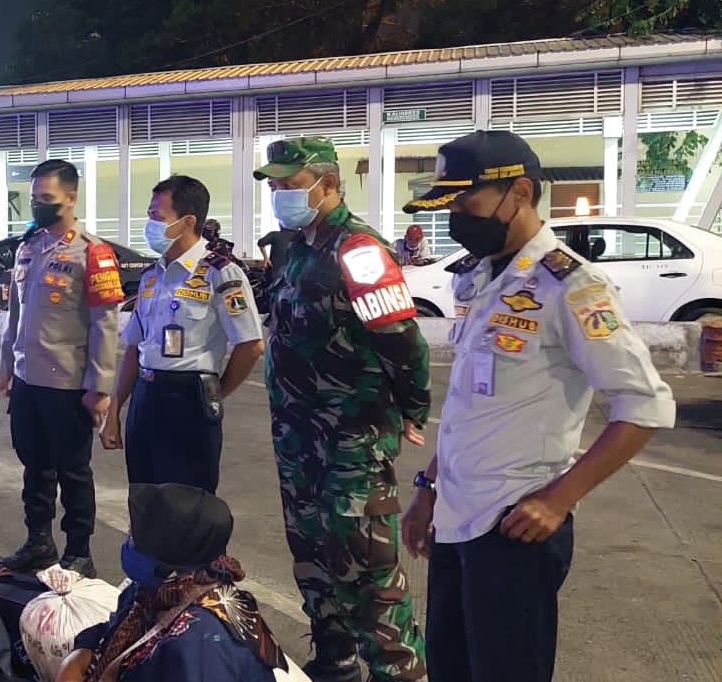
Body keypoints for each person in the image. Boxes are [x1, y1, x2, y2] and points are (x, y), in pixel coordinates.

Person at [397, 131, 676, 682]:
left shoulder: (572, 286)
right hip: (455, 517)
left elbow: (644, 403)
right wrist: (428, 488)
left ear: (519, 193)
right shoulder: (482, 277)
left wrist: (559, 498)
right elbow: (472, 408)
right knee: (450, 669)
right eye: (450, 205)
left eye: (466, 202)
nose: (455, 216)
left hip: (513, 527)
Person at [256, 136, 430, 682]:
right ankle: (334, 662)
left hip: (351, 438)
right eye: (275, 185)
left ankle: (398, 673)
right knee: (312, 557)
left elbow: (401, 340)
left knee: (366, 570)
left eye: (290, 184)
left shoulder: (359, 250)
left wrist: (413, 407)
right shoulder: (297, 249)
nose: (279, 194)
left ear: (327, 183)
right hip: (299, 437)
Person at [0, 159, 123, 578]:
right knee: (34, 466)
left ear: (71, 198)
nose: (38, 205)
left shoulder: (93, 253)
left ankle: (79, 552)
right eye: (34, 198)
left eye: (46, 198)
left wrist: (100, 387)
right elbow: (15, 315)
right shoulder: (28, 247)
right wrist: (6, 366)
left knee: (73, 471)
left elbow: (105, 324)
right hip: (27, 380)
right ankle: (39, 542)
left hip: (68, 384)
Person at [100, 176, 263, 491]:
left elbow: (251, 344)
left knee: (188, 503)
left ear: (188, 221)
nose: (149, 224)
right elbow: (135, 347)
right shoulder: (151, 276)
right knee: (144, 497)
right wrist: (115, 408)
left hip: (190, 401)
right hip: (145, 398)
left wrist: (215, 393)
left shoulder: (221, 273)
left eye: (156, 216)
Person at [60, 484, 295, 682]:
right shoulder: (155, 591)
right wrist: (82, 652)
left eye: (133, 537)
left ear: (167, 558)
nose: (127, 542)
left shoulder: (199, 646)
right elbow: (111, 628)